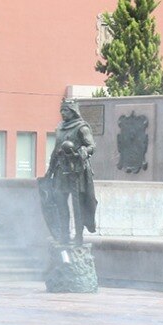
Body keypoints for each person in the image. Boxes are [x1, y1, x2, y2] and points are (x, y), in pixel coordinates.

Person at [45, 97, 98, 245]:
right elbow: (56, 150)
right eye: (61, 110)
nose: (63, 113)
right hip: (61, 170)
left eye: (66, 110)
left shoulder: (82, 128)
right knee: (60, 200)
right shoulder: (60, 128)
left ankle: (79, 235)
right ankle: (64, 234)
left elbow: (92, 146)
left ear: (73, 111)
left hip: (77, 171)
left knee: (77, 204)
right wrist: (50, 170)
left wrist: (83, 151)